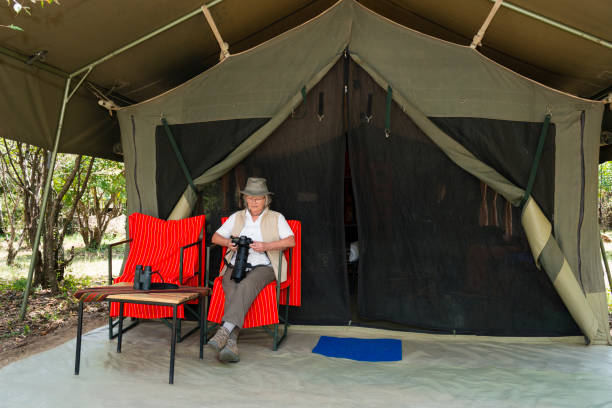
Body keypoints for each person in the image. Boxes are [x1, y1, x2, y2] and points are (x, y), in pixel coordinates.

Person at [209, 177, 295, 362]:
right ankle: (231, 343)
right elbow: (215, 237)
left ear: (266, 199)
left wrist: (266, 245)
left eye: (258, 198)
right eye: (250, 197)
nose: (254, 201)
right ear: (245, 199)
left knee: (247, 285)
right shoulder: (237, 217)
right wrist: (229, 243)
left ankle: (223, 330)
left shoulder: (276, 217)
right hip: (237, 263)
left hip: (265, 264)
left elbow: (290, 241)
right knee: (230, 285)